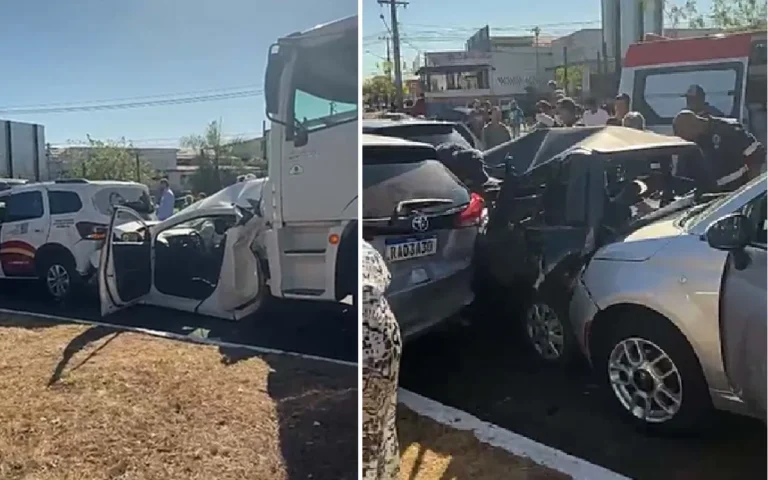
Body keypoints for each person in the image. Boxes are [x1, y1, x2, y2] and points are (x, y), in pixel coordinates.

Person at [361, 241, 402, 480]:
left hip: (371, 340)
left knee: (371, 429)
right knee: (380, 423)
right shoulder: (365, 248)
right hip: (384, 331)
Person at [673, 110, 765, 192]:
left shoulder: (727, 129)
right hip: (712, 200)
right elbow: (682, 176)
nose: (685, 140)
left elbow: (755, 153)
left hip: (737, 192)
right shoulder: (693, 144)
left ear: (692, 126)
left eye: (685, 135)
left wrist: (751, 188)